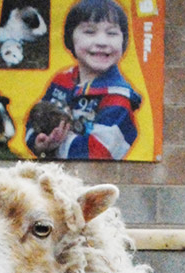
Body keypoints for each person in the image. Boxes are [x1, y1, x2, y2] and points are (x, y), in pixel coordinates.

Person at [25, 0, 141, 160]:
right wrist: (39, 144)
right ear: (70, 38)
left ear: (124, 41)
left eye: (112, 33)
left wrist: (55, 148)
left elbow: (97, 154)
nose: (102, 42)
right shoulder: (61, 80)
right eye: (89, 32)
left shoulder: (118, 100)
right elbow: (35, 118)